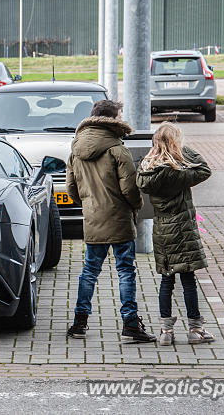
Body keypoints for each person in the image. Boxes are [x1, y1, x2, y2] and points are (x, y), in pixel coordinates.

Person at [66, 100, 156, 343]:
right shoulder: (117, 148)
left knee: (89, 272)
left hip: (93, 218)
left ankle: (79, 323)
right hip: (119, 218)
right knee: (125, 271)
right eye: (120, 115)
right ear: (112, 119)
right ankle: (130, 323)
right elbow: (130, 188)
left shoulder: (76, 149)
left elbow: (71, 189)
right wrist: (136, 206)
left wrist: (89, 203)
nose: (121, 118)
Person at [136, 122, 214, 346]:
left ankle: (165, 332)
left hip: (162, 230)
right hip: (183, 230)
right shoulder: (179, 172)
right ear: (175, 143)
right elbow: (205, 170)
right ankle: (195, 330)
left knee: (166, 280)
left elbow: (140, 181)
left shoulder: (147, 168)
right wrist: (182, 150)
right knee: (188, 280)